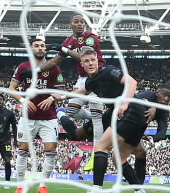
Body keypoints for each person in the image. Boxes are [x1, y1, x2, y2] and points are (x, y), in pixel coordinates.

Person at [70, 51, 170, 193]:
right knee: (119, 158)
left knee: (101, 147)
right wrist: (57, 96)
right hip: (133, 117)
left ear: (98, 61)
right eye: (87, 61)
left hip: (130, 113)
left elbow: (132, 83)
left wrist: (126, 103)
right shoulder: (91, 82)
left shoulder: (108, 71)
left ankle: (96, 192)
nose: (90, 63)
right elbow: (82, 91)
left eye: (93, 60)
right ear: (82, 64)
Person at [20, 15, 106, 148]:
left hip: (97, 77)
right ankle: (92, 116)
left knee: (97, 119)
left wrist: (64, 49)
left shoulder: (90, 37)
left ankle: (97, 152)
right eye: (76, 22)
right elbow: (54, 62)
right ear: (71, 25)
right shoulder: (68, 41)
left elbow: (85, 57)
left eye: (82, 22)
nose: (80, 24)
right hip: (82, 79)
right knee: (71, 111)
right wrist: (35, 71)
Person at [9, 38, 65, 193]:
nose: (40, 48)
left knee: (51, 151)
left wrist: (52, 98)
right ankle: (19, 186)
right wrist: (23, 100)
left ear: (45, 49)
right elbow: (11, 88)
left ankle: (43, 186)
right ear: (31, 48)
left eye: (42, 46)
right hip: (28, 117)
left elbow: (61, 91)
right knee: (22, 150)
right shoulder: (23, 67)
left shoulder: (54, 67)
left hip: (49, 117)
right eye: (36, 46)